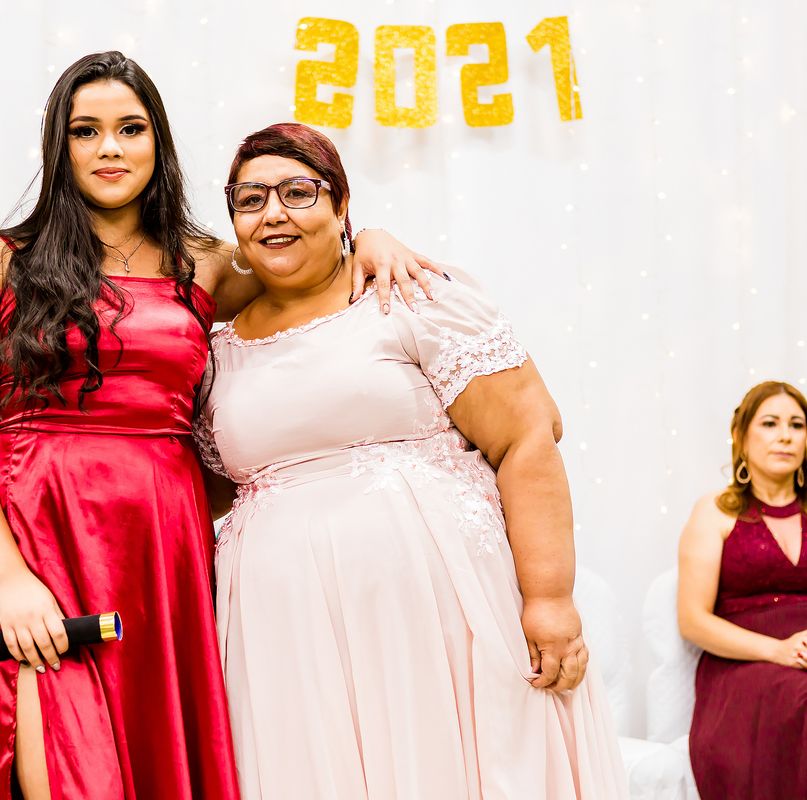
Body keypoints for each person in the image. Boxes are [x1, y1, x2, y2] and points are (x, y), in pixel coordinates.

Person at [0, 51, 431, 800]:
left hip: (164, 548)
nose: (109, 148)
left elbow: (307, 265)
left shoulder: (204, 262)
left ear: (157, 141)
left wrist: (371, 238)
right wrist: (9, 579)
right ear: (59, 146)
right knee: (65, 769)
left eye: (130, 129)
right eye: (86, 131)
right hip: (38, 541)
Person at [195, 122, 629, 800]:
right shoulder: (214, 353)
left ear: (342, 204)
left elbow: (526, 437)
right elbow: (209, 489)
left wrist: (550, 598)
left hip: (438, 618)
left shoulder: (411, 293)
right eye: (251, 200)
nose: (273, 212)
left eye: (298, 192)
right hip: (288, 638)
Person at [678, 382, 807, 799]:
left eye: (797, 425)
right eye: (770, 423)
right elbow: (692, 620)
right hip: (749, 666)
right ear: (741, 436)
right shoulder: (715, 511)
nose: (785, 435)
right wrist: (779, 650)